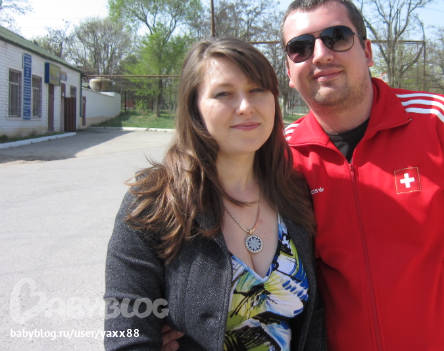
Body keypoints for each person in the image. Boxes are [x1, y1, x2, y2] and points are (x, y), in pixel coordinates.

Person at [280, 0, 444, 351]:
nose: (320, 54)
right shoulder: (283, 156)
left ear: (367, 52)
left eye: (336, 37)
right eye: (300, 47)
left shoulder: (440, 123)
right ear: (289, 71)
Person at [104, 38, 326, 351]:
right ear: (194, 107)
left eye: (257, 90)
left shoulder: (294, 191)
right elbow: (125, 336)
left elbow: (314, 320)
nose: (245, 106)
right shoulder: (152, 202)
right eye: (224, 93)